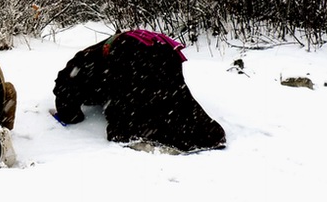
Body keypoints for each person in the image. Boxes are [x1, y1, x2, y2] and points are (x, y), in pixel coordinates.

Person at [52, 29, 226, 153]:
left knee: (129, 112)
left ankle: (147, 135)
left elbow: (66, 97)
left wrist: (69, 115)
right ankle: (205, 134)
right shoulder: (93, 58)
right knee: (174, 97)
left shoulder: (76, 67)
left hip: (131, 50)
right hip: (163, 48)